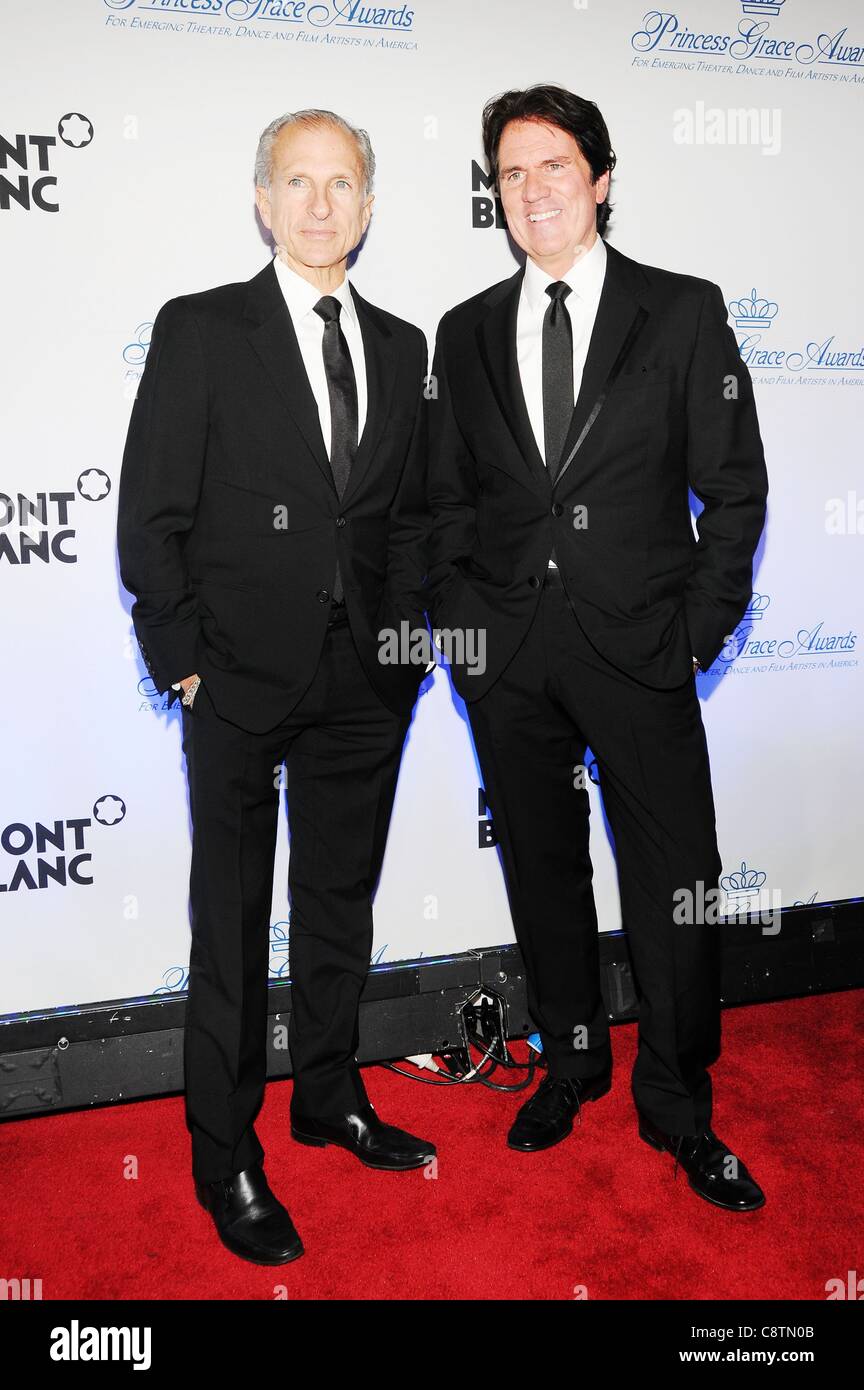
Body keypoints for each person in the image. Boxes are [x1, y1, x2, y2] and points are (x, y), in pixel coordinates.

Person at [428, 85, 769, 1211]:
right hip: (511, 658)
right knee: (543, 870)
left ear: (603, 179)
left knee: (679, 884)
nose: (532, 189)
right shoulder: (465, 330)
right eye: (512, 173)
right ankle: (573, 1061)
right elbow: (444, 505)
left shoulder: (681, 313)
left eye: (555, 167)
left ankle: (679, 1105)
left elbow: (733, 490)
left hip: (641, 649)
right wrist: (460, 635)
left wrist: (695, 633)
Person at [117, 108, 434, 1265]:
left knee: (340, 902)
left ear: (367, 204)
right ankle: (224, 1153)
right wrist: (181, 658)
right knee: (231, 925)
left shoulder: (403, 349)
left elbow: (407, 523)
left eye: (340, 182)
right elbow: (151, 510)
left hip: (365, 682)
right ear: (262, 201)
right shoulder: (202, 329)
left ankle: (329, 1093)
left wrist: (407, 653)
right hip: (238, 681)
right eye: (295, 182)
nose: (318, 204)